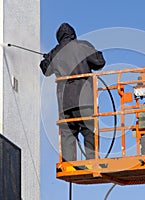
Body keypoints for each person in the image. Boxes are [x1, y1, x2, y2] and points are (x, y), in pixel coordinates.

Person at [40, 23, 105, 161]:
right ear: (73, 34)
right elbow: (99, 62)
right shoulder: (82, 46)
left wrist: (47, 59)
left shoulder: (55, 52)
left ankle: (68, 162)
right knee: (89, 129)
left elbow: (46, 70)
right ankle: (92, 159)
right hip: (85, 99)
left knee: (67, 132)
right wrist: (97, 53)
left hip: (65, 102)